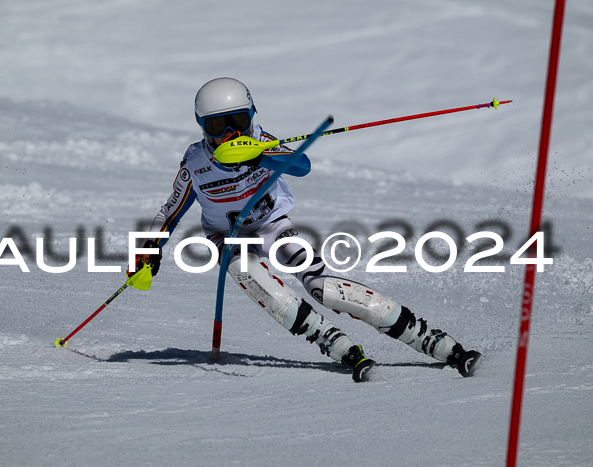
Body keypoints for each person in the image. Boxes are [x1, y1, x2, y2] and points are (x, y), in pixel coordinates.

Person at [134, 77, 480, 382]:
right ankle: (330, 340)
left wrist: (262, 156)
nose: (231, 134)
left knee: (322, 286)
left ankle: (430, 339)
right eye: (217, 127)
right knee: (247, 272)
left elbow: (302, 165)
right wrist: (150, 251)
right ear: (201, 126)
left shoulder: (263, 142)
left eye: (238, 121)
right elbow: (170, 211)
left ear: (252, 115)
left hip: (272, 226)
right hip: (229, 237)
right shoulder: (195, 164)